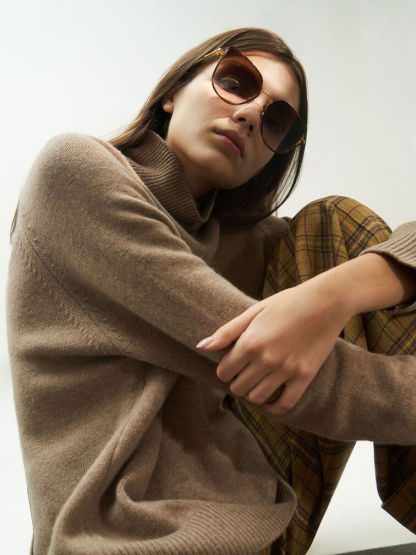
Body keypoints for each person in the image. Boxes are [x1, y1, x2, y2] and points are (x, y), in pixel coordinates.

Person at [6, 27, 416, 555]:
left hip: (261, 527)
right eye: (236, 82)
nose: (249, 115)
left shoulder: (244, 243)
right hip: (126, 542)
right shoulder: (75, 176)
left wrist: (337, 291)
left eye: (276, 121)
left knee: (333, 219)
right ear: (173, 92)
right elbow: (290, 375)